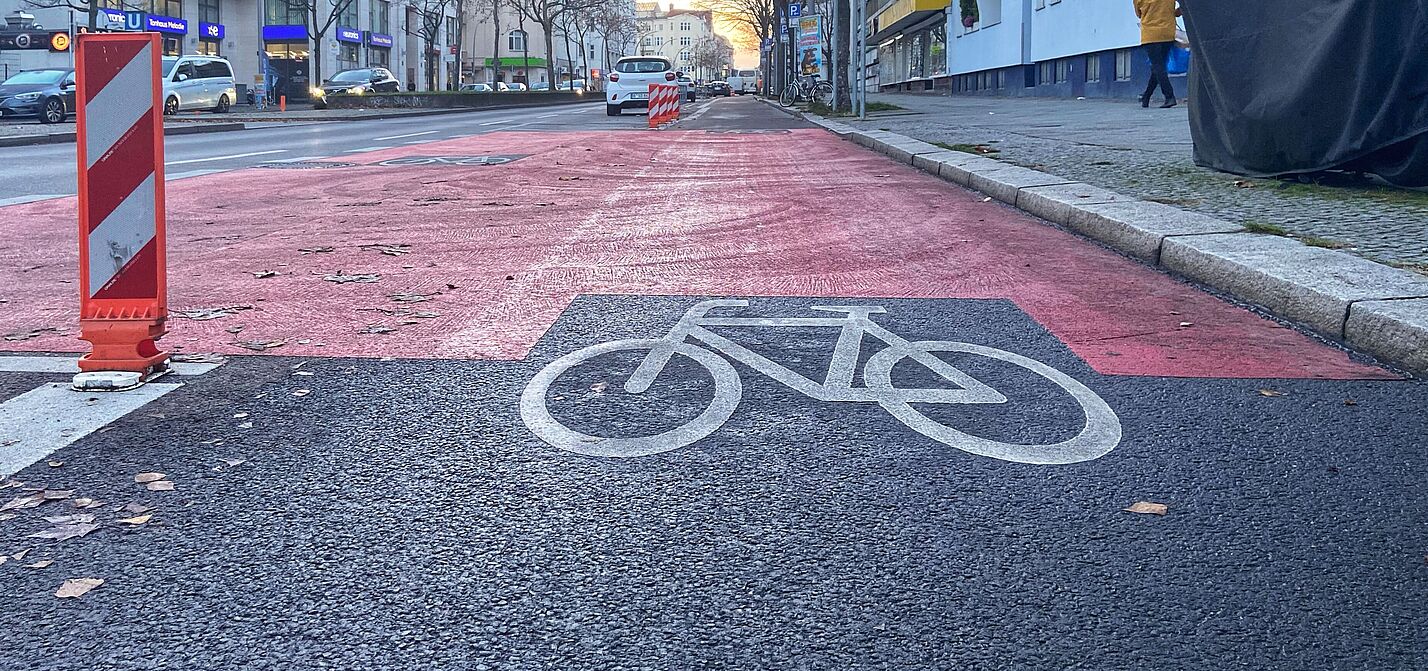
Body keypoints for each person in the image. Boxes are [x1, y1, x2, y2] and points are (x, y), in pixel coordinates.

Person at [1133, 0, 1180, 108]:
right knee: (1158, 67)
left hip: (1151, 35)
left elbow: (1138, 14)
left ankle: (1169, 96)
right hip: (1167, 33)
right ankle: (1146, 96)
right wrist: (1176, 12)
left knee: (1158, 66)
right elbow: (1185, 6)